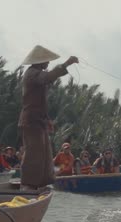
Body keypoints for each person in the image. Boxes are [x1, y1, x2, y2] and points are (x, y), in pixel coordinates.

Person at [18, 45, 78, 190]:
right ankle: (28, 184)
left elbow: (41, 100)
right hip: (31, 120)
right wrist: (66, 64)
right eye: (47, 61)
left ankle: (41, 183)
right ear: (40, 61)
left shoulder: (37, 73)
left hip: (39, 120)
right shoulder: (33, 73)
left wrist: (47, 119)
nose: (48, 63)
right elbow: (48, 76)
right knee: (34, 152)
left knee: (44, 152)